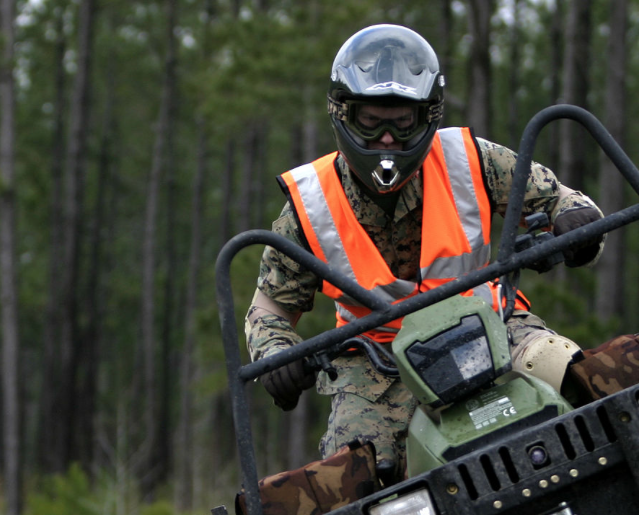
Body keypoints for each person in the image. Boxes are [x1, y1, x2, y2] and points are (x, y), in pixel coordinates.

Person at [246, 23, 605, 477]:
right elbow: (270, 307)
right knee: (351, 476)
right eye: (370, 122)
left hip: (492, 328)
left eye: (403, 123)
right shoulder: (309, 203)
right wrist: (276, 356)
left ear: (428, 116)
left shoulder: (469, 158)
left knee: (576, 378)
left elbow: (561, 198)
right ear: (342, 114)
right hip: (377, 364)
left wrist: (577, 221)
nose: (388, 141)